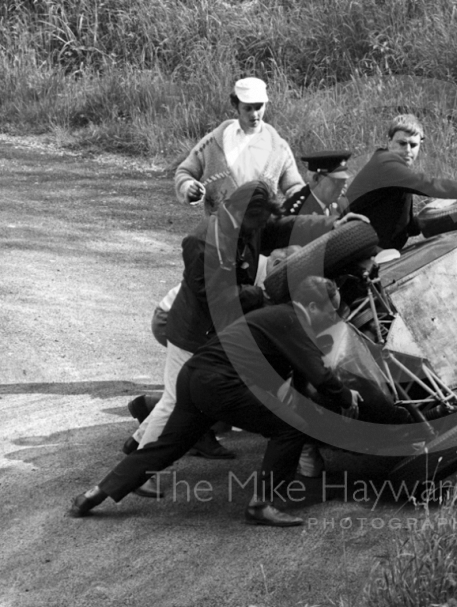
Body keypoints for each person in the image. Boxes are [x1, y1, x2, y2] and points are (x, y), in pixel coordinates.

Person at [124, 180, 364, 496]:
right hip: (193, 332)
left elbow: (286, 227)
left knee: (181, 398)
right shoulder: (200, 241)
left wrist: (333, 224)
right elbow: (216, 295)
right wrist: (260, 293)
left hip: (221, 329)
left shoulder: (251, 223)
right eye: (261, 219)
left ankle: (138, 442)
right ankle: (143, 472)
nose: (264, 226)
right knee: (175, 401)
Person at [69, 277, 362, 527]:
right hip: (221, 385)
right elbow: (319, 376)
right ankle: (261, 505)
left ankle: (94, 494)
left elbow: (300, 375)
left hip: (195, 376)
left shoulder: (277, 315)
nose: (333, 318)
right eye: (331, 312)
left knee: (167, 446)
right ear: (312, 307)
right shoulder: (294, 321)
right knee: (291, 427)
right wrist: (347, 397)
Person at [344, 114, 457, 250]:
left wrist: (452, 210)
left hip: (370, 240)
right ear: (389, 142)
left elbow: (393, 214)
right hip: (356, 244)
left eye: (413, 145)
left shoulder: (393, 168)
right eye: (401, 143)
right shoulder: (385, 164)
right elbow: (428, 184)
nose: (407, 150)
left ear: (421, 144)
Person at [174, 77, 305, 214]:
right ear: (235, 105)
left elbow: (294, 186)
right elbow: (185, 172)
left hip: (263, 229)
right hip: (219, 228)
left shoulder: (279, 148)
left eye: (258, 107)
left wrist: (299, 202)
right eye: (248, 108)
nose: (254, 114)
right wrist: (188, 187)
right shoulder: (212, 143)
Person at [282, 151, 352, 217]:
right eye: (336, 181)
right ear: (316, 179)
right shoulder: (296, 212)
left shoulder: (342, 203)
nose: (344, 186)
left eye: (344, 181)